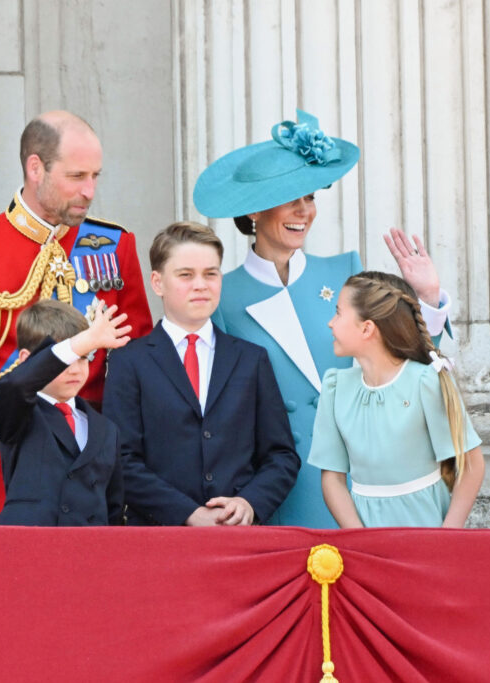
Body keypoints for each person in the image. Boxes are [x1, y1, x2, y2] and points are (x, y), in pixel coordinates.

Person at [193, 109, 451, 528]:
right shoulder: (222, 296)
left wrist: (426, 298)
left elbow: (406, 365)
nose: (304, 211)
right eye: (290, 198)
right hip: (283, 491)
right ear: (253, 211)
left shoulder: (344, 272)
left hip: (365, 479)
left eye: (310, 196)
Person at [0, 110, 154, 525]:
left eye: (96, 176)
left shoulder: (114, 246)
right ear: (35, 168)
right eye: (77, 176)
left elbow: (134, 361)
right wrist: (11, 423)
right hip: (0, 464)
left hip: (89, 469)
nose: (90, 190)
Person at [103, 222, 299, 526]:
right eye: (185, 275)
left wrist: (249, 503)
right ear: (157, 283)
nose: (201, 285)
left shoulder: (251, 359)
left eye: (211, 273)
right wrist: (188, 513)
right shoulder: (129, 362)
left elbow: (281, 455)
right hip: (160, 537)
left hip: (238, 536)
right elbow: (121, 460)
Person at [308, 271, 484, 527]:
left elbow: (472, 464)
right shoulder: (336, 388)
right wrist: (358, 538)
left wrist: (449, 534)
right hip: (364, 534)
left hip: (426, 526)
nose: (331, 323)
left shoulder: (426, 382)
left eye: (338, 313)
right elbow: (332, 479)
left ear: (367, 328)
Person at [0, 300, 131, 526]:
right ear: (26, 360)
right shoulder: (18, 412)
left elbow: (112, 509)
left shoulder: (105, 429)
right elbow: (17, 385)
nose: (75, 368)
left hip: (88, 553)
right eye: (64, 361)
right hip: (28, 552)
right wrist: (80, 343)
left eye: (84, 357)